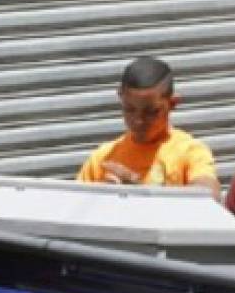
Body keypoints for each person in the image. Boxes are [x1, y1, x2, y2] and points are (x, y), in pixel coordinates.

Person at [77, 56, 220, 199]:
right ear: (121, 98)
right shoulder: (104, 159)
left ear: (172, 103)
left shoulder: (189, 152)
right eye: (129, 109)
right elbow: (75, 207)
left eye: (151, 112)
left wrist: (139, 193)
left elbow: (209, 197)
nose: (138, 121)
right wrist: (102, 199)